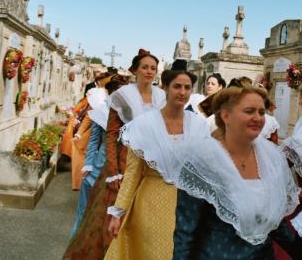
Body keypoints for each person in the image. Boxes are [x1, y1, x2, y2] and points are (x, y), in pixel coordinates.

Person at [173, 86, 299, 259]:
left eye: (262, 112)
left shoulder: (272, 157)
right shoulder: (202, 161)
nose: (258, 118)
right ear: (226, 116)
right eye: (249, 111)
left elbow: (275, 223)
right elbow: (186, 231)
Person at [63, 49, 166, 259]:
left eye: (153, 68)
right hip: (122, 158)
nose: (149, 71)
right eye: (144, 67)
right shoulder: (122, 95)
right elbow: (110, 135)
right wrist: (113, 170)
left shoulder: (161, 96)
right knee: (108, 218)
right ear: (135, 70)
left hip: (148, 164)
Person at [104, 67, 209, 260]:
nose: (183, 92)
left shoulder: (200, 126)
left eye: (187, 87)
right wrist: (118, 212)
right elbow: (132, 174)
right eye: (177, 86)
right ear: (165, 88)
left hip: (188, 205)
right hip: (151, 203)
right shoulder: (144, 125)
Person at [69, 74, 128, 238]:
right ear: (109, 94)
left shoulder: (131, 115)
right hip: (97, 170)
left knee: (108, 221)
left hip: (120, 173)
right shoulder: (101, 112)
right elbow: (94, 141)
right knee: (84, 215)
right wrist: (88, 164)